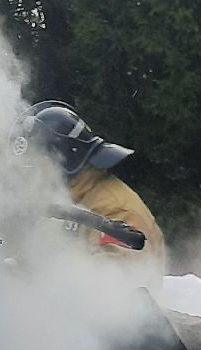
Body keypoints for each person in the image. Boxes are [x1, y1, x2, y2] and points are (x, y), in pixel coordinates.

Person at [13, 100, 165, 274]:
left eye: (35, 166)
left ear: (60, 163)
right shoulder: (72, 200)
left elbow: (113, 283)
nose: (31, 177)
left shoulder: (118, 210)